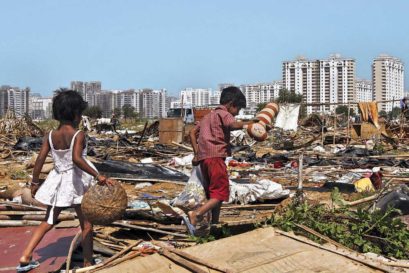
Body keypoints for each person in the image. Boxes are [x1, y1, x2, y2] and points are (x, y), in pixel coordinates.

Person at [17, 90, 115, 272]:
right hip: (76, 183)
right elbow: (77, 159)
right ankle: (87, 262)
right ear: (76, 114)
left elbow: (39, 160)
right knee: (86, 224)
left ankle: (26, 255)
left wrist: (35, 183)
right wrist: (98, 176)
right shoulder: (79, 135)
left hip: (58, 181)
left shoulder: (50, 135)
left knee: (49, 220)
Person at [187, 86, 253, 235]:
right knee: (221, 192)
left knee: (213, 194)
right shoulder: (224, 113)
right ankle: (197, 214)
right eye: (238, 109)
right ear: (230, 104)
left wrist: (197, 153)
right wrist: (250, 123)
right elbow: (233, 125)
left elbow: (191, 132)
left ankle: (214, 223)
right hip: (216, 158)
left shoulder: (207, 117)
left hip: (204, 159)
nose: (237, 113)